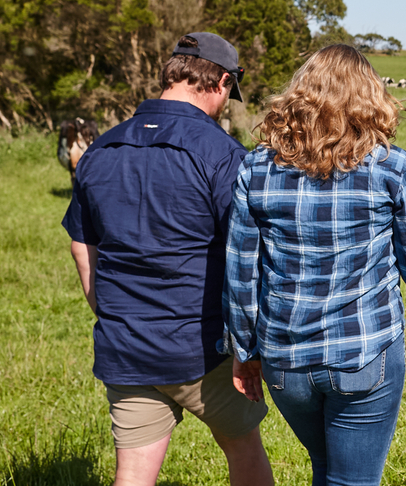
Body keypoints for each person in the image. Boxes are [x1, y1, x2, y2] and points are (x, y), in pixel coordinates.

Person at [225, 44, 406, 484]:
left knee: (326, 468)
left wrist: (244, 352)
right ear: (370, 97)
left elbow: (242, 270)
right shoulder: (394, 169)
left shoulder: (256, 169)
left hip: (287, 362)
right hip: (364, 356)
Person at [63, 32, 273, 486]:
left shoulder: (99, 150)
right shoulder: (223, 156)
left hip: (126, 346)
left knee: (134, 474)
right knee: (244, 451)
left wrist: (107, 308)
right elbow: (248, 252)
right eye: (227, 94)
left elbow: (82, 245)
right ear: (220, 81)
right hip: (203, 350)